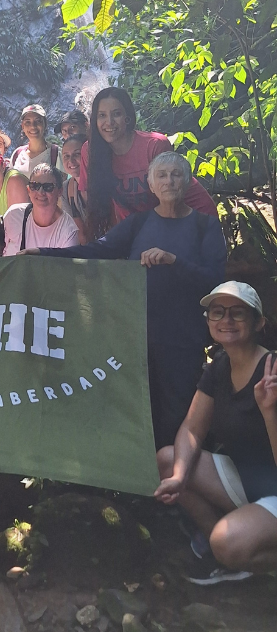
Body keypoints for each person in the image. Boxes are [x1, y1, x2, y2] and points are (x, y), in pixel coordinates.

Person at [23, 152, 226, 447]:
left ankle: (181, 482)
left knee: (180, 416)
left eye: (176, 174)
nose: (169, 180)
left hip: (183, 342)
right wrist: (44, 255)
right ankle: (144, 487)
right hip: (135, 339)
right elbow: (96, 251)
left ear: (187, 182)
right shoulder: (139, 224)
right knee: (140, 415)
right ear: (151, 185)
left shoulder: (204, 227)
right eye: (162, 175)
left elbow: (215, 282)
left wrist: (173, 261)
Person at [155, 282, 277, 585]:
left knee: (227, 541)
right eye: (217, 312)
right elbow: (192, 429)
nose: (226, 321)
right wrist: (180, 478)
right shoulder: (220, 366)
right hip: (245, 479)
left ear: (259, 322)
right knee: (169, 460)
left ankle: (239, 550)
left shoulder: (272, 372)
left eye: (238, 313)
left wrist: (269, 412)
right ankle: (229, 554)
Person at [80, 87, 217, 237]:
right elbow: (96, 198)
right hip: (143, 229)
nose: (109, 122)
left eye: (116, 114)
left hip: (192, 219)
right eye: (102, 115)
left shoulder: (154, 145)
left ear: (128, 117)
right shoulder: (91, 151)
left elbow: (172, 201)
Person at [3, 164, 78, 256]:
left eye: (48, 187)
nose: (40, 192)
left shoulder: (68, 230)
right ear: (28, 190)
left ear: (60, 191)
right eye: (35, 186)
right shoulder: (13, 215)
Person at [10, 105, 60, 177]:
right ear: (23, 126)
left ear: (45, 124)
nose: (33, 126)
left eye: (38, 121)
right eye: (28, 122)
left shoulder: (57, 153)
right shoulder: (17, 154)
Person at [60, 134, 89, 242]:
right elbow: (79, 233)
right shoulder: (66, 189)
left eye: (77, 154)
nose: (71, 161)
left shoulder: (104, 182)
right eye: (66, 156)